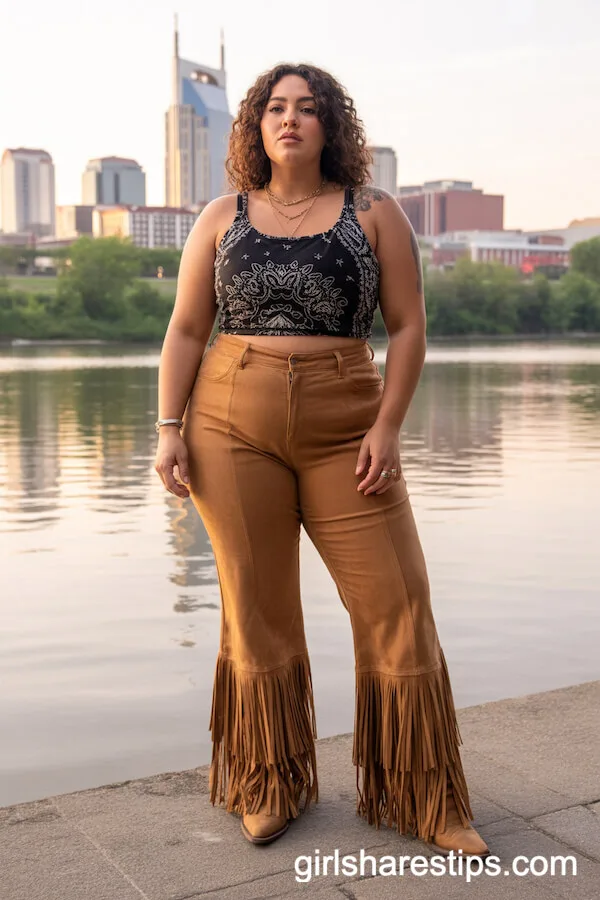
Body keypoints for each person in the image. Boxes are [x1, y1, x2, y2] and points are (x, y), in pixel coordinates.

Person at [154, 62, 489, 857]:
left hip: (348, 423)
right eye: (276, 108)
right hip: (230, 421)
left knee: (397, 601)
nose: (290, 119)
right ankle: (270, 783)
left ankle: (427, 797)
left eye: (307, 108)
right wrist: (168, 428)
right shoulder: (221, 217)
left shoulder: (375, 212)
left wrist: (389, 426)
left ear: (330, 125)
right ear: (256, 126)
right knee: (256, 608)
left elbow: (407, 327)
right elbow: (187, 330)